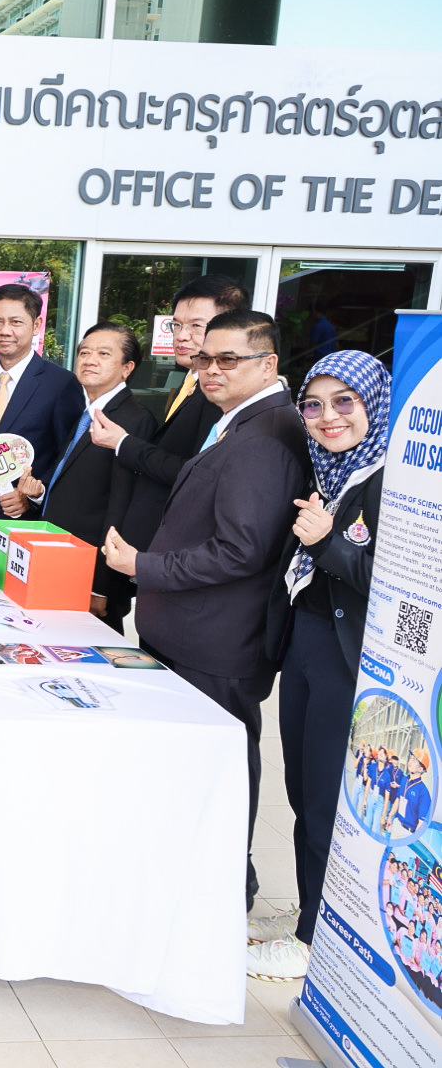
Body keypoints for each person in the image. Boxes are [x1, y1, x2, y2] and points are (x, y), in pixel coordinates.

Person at [103, 309, 310, 913]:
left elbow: (242, 549)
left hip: (217, 641)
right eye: (203, 359)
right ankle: (195, 880)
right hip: (193, 632)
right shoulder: (243, 420)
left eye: (228, 360)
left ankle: (225, 891)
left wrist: (144, 567)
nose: (210, 370)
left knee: (221, 769)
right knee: (194, 769)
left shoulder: (266, 436)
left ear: (268, 364)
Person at [248, 350, 391, 978]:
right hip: (309, 646)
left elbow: (394, 582)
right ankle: (315, 910)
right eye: (313, 404)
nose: (328, 416)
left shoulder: (391, 479)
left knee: (328, 797)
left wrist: (326, 541)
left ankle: (314, 940)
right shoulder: (330, 470)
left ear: (374, 405)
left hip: (348, 660)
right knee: (303, 791)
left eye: (344, 402)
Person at [12, 322, 157, 631]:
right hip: (61, 561)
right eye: (84, 352)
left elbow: (123, 505)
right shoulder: (88, 412)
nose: (89, 360)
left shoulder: (133, 420)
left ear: (127, 368)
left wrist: (102, 585)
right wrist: (38, 493)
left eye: (104, 354)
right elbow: (78, 485)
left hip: (91, 574)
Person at [90, 275, 247, 551]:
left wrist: (123, 443)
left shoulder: (222, 396)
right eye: (176, 325)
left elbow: (194, 472)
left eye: (196, 325)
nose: (182, 336)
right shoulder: (190, 381)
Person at [0, 283, 86, 557]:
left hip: (25, 525)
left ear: (36, 325)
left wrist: (33, 494)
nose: (5, 331)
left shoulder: (61, 383)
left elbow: (69, 455)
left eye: (15, 322)